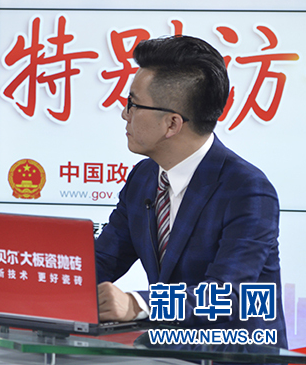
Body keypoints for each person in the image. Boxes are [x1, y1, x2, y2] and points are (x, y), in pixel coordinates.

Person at [95, 35, 287, 347]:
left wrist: (137, 304)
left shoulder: (247, 190)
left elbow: (228, 294)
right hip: (165, 349)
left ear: (172, 124)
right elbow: (103, 259)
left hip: (233, 353)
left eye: (133, 104)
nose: (124, 114)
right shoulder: (144, 177)